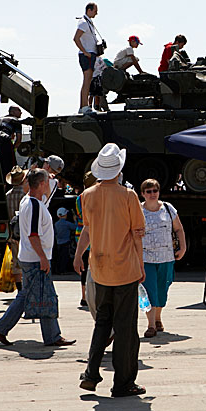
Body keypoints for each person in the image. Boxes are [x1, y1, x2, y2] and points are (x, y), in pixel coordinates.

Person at [74, 143, 146, 397]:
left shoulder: (87, 195)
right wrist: (140, 264)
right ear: (119, 169)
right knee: (126, 328)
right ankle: (123, 382)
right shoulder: (128, 196)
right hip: (125, 268)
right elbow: (137, 234)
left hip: (100, 268)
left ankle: (91, 374)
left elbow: (88, 229)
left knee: (102, 323)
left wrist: (78, 254)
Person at [0, 168, 75, 348]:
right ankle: (4, 327)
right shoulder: (34, 205)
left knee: (35, 294)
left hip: (30, 256)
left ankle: (48, 334)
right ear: (41, 184)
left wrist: (49, 178)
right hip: (36, 257)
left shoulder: (28, 201)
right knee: (41, 295)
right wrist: (43, 258)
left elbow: (47, 196)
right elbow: (34, 235)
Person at [139, 178, 186, 338]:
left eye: (155, 191)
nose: (152, 194)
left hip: (166, 256)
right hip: (145, 257)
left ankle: (158, 318)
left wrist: (183, 247)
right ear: (143, 194)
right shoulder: (138, 210)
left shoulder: (167, 208)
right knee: (147, 291)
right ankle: (150, 325)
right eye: (149, 191)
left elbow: (179, 229)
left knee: (162, 289)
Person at [74, 171, 97, 307]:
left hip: (80, 233)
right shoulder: (94, 196)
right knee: (91, 265)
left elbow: (80, 214)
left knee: (83, 266)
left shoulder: (79, 198)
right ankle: (90, 294)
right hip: (91, 234)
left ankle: (83, 296)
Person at [74, 2, 100, 114]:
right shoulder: (83, 23)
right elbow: (76, 38)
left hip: (91, 53)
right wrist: (85, 52)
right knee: (86, 81)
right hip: (87, 54)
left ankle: (84, 106)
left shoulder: (88, 22)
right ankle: (84, 106)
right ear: (89, 10)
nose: (96, 13)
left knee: (88, 81)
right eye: (95, 11)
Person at [5, 166, 28, 291]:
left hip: (12, 232)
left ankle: (19, 289)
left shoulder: (7, 196)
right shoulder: (25, 196)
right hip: (25, 231)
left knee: (16, 261)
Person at [0, 106, 22, 178]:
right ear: (12, 112)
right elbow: (19, 138)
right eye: (19, 110)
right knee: (11, 166)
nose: (21, 113)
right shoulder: (15, 120)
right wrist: (13, 148)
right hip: (5, 141)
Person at [53, 207, 76, 275]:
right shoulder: (67, 224)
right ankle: (63, 270)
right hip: (66, 243)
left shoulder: (56, 224)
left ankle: (59, 270)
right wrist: (75, 220)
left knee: (59, 257)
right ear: (65, 215)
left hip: (58, 243)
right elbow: (75, 227)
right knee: (65, 257)